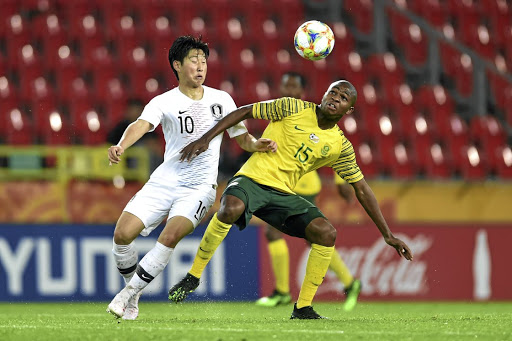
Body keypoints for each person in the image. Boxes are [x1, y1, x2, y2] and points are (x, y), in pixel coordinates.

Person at [168, 80, 413, 319]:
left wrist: (387, 234)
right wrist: (205, 139)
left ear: (348, 110)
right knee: (231, 208)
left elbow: (361, 188)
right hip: (252, 178)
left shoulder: (340, 146)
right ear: (323, 95)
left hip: (283, 194)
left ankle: (303, 307)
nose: (335, 98)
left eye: (343, 97)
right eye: (333, 92)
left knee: (326, 233)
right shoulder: (291, 107)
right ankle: (194, 276)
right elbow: (244, 111)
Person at [106, 35, 277, 320]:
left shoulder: (222, 100)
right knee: (122, 236)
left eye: (204, 61)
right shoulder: (165, 101)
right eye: (193, 61)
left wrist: (256, 144)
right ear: (177, 65)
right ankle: (133, 293)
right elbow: (141, 124)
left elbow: (242, 137)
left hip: (199, 188)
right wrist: (122, 145)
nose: (201, 66)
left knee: (170, 235)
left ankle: (126, 297)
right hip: (164, 180)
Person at [255, 72, 361, 312]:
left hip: (302, 185)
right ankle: (350, 282)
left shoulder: (311, 113)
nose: (288, 90)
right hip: (281, 181)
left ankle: (283, 292)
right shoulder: (283, 109)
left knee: (278, 233)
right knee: (310, 239)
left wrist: (340, 180)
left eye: (293, 86)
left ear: (302, 92)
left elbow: (332, 147)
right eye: (285, 85)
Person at [106, 98, 163, 173]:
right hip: (126, 161)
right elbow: (111, 144)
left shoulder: (147, 125)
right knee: (141, 148)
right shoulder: (122, 127)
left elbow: (154, 142)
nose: (135, 113)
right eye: (133, 110)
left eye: (138, 110)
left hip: (148, 161)